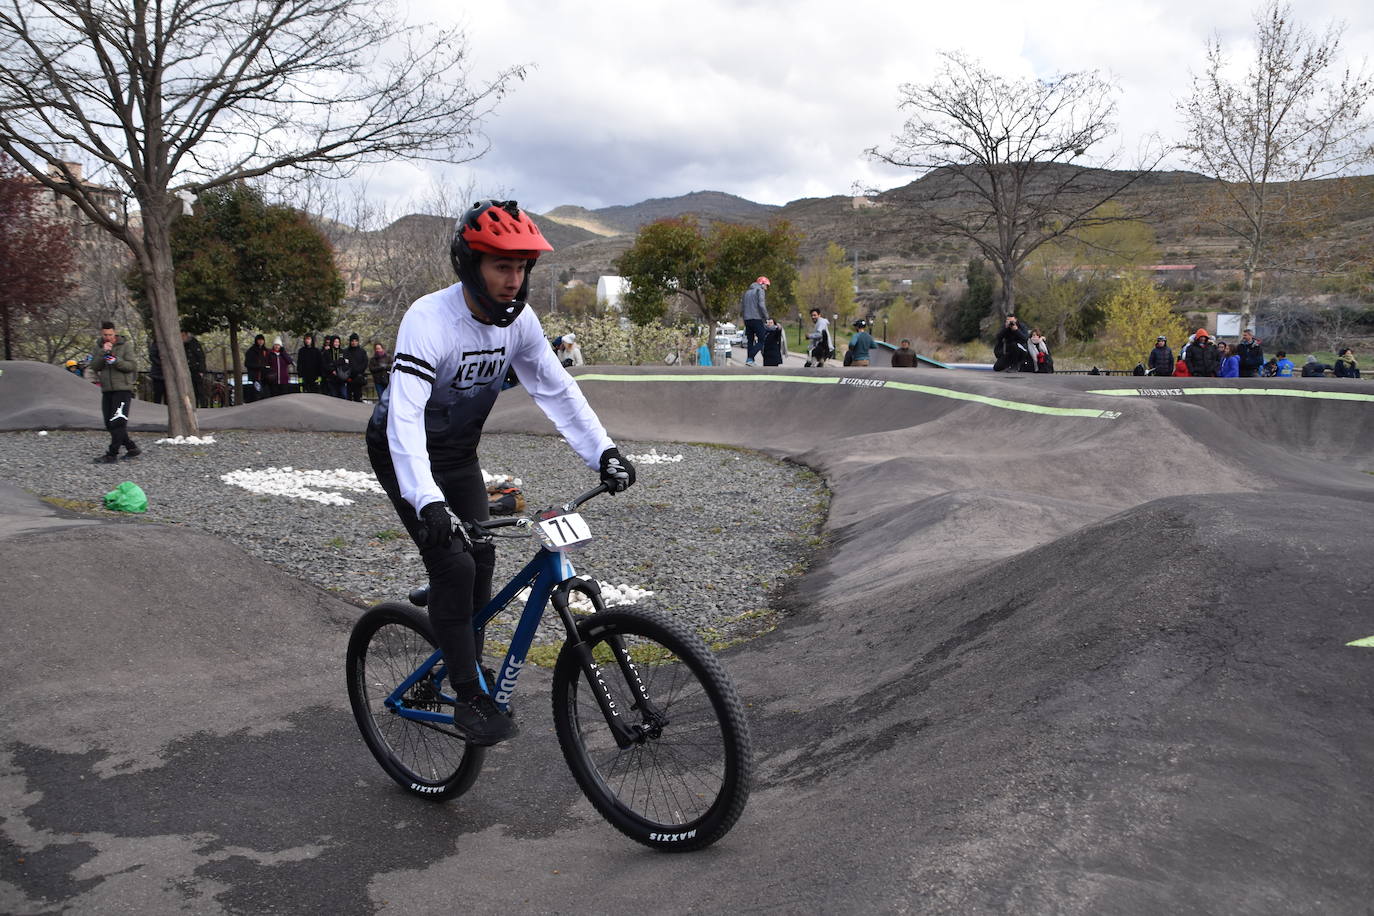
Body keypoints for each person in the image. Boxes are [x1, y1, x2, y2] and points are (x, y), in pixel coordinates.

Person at [366, 199, 636, 746]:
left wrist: (603, 451)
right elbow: (405, 418)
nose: (514, 280)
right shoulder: (428, 319)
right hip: (402, 449)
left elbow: (557, 390)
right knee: (455, 567)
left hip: (459, 453)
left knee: (482, 555)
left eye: (520, 268)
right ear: (471, 264)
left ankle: (459, 647)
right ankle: (467, 692)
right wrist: (426, 501)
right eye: (501, 267)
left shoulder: (520, 323)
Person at [89, 321, 140, 463]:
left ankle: (112, 454)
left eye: (110, 334)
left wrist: (115, 361)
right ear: (101, 333)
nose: (108, 337)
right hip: (107, 389)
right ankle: (131, 447)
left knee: (118, 422)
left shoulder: (125, 346)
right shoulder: (99, 347)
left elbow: (132, 366)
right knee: (109, 423)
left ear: (115, 333)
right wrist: (103, 353)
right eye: (105, 334)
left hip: (122, 388)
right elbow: (94, 366)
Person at [740, 276, 770, 366]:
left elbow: (743, 307)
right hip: (756, 318)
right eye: (767, 285)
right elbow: (761, 305)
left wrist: (744, 317)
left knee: (750, 340)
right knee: (762, 339)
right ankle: (750, 357)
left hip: (747, 319)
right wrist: (766, 317)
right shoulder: (760, 291)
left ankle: (750, 361)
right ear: (762, 283)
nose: (767, 288)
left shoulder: (747, 292)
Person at [182, 330, 208, 408]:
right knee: (192, 390)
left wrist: (201, 370)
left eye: (183, 336)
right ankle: (195, 405)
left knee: (200, 389)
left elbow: (200, 357)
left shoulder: (194, 343)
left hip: (196, 370)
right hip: (189, 370)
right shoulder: (184, 345)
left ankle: (203, 406)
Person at [243, 333, 268, 402]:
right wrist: (258, 366)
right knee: (258, 393)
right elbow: (247, 363)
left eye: (262, 340)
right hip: (256, 376)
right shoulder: (251, 351)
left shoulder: (265, 350)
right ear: (256, 341)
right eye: (259, 340)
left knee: (265, 394)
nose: (261, 342)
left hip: (265, 376)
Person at [344, 333, 368, 401]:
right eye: (352, 341)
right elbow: (343, 363)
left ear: (358, 341)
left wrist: (358, 371)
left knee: (357, 397)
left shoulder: (362, 352)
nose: (354, 342)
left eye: (355, 341)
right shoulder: (345, 351)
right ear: (350, 342)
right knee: (347, 398)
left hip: (358, 378)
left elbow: (365, 363)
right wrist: (349, 373)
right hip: (348, 378)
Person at [147, 335, 166, 404]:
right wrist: (161, 363)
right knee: (158, 394)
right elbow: (152, 356)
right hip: (157, 374)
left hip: (167, 374)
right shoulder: (156, 343)